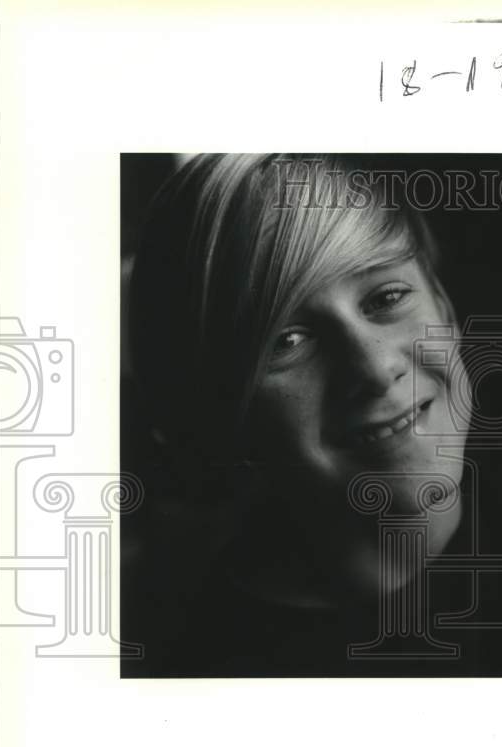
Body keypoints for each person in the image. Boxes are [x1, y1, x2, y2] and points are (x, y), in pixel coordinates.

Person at [127, 154, 481, 675]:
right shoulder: (220, 679)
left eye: (386, 297)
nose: (376, 367)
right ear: (224, 412)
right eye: (288, 340)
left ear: (444, 309)